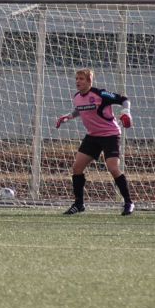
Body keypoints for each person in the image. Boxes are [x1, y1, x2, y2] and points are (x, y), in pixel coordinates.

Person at [55, 68, 134, 216]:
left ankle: (128, 203)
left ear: (89, 81)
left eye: (81, 79)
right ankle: (79, 204)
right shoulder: (77, 97)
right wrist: (67, 117)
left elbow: (124, 99)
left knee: (112, 167)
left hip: (110, 134)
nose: (78, 81)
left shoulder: (100, 94)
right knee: (77, 168)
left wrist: (126, 112)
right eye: (77, 79)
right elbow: (79, 109)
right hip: (92, 136)